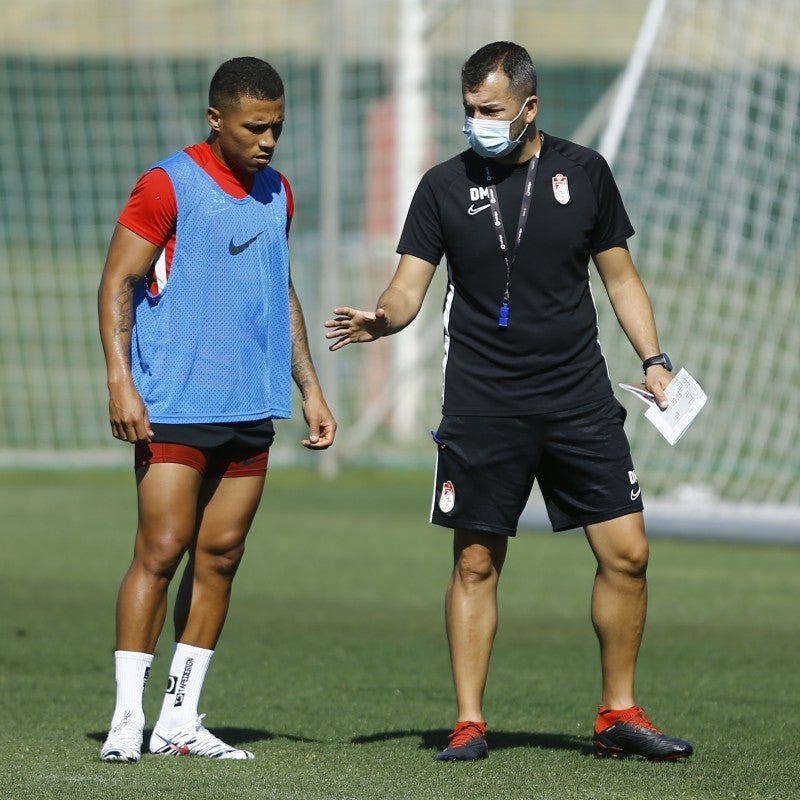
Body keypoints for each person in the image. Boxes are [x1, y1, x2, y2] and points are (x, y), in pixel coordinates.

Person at [325, 41, 692, 762]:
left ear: (529, 108)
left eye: (489, 110)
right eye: (467, 110)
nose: (476, 123)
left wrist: (654, 360)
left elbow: (619, 278)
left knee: (629, 553)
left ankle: (619, 712)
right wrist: (383, 318)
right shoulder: (440, 186)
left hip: (578, 398)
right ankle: (469, 722)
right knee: (476, 562)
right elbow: (408, 287)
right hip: (483, 401)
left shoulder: (584, 173)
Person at [97, 56, 336, 763]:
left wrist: (310, 386)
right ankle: (124, 718)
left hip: (248, 403)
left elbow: (278, 286)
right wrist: (120, 380)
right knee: (161, 551)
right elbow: (118, 282)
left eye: (278, 128)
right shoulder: (167, 183)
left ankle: (179, 719)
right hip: (173, 401)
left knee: (221, 558)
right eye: (255, 127)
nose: (268, 141)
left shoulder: (278, 193)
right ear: (216, 120)